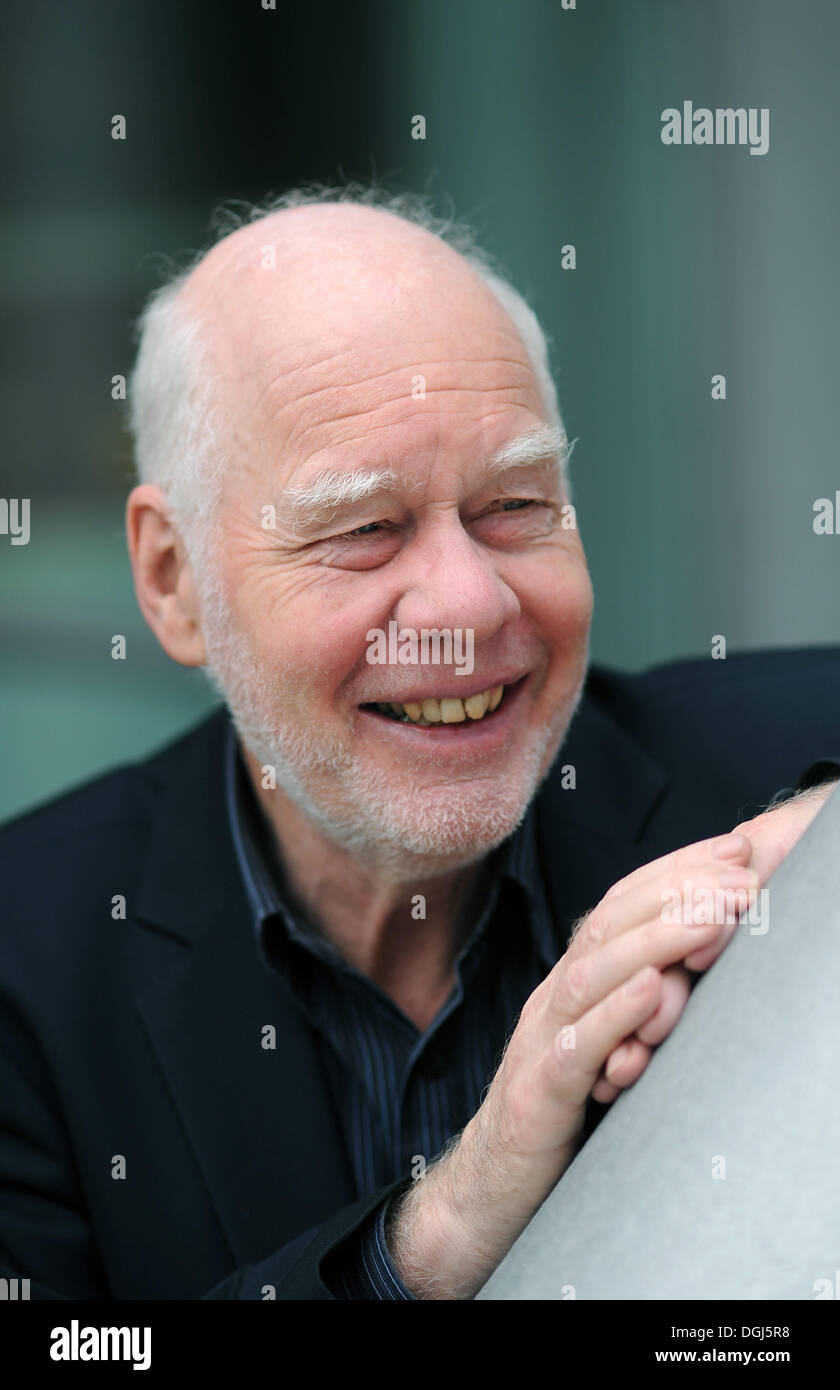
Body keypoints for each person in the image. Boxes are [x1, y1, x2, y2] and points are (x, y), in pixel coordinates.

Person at [0, 186, 837, 1301]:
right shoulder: (28, 966)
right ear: (172, 579)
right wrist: (439, 1232)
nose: (469, 601)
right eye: (365, 529)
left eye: (517, 503)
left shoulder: (771, 770)